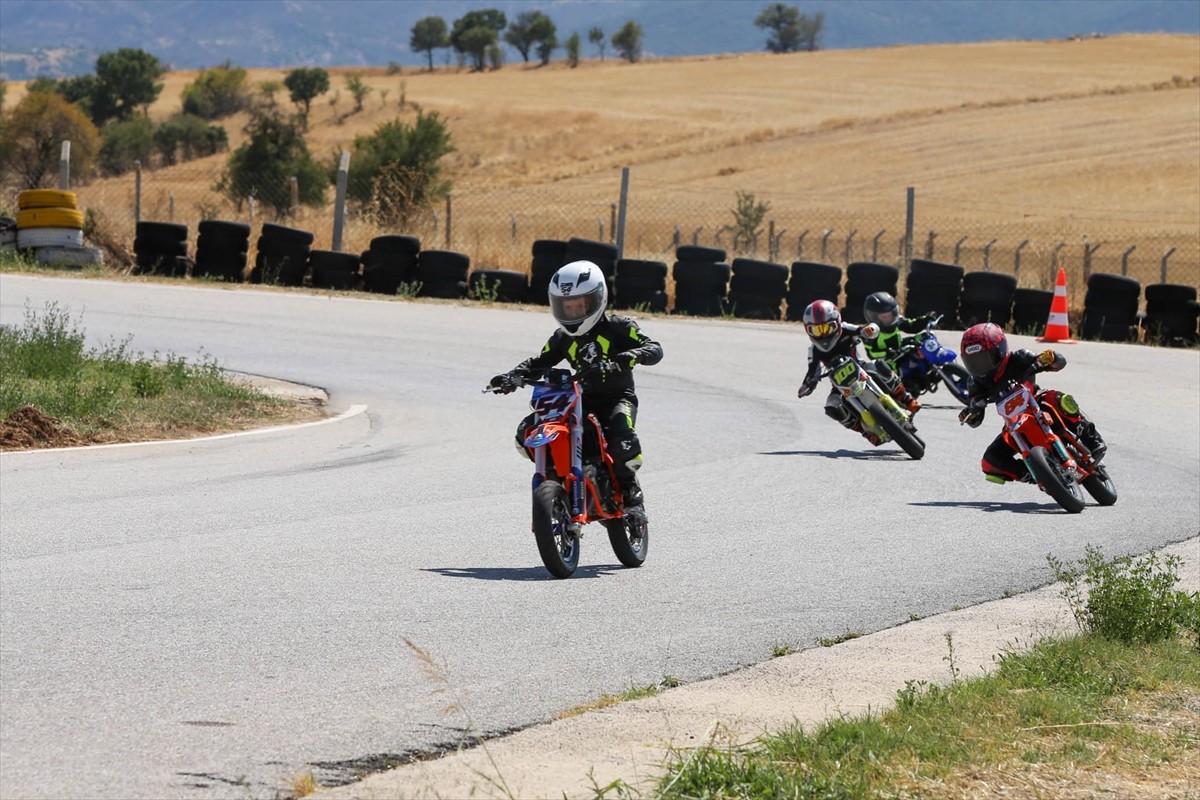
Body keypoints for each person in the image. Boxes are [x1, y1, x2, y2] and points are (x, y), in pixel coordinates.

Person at [490, 260, 663, 516]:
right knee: (526, 431)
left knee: (622, 434)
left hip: (617, 397)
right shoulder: (562, 338)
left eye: (579, 306)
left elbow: (654, 348)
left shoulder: (619, 327)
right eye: (566, 307)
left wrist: (630, 356)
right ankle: (556, 475)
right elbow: (539, 362)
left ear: (597, 299)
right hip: (577, 398)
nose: (572, 313)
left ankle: (630, 493)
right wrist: (512, 376)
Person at [957, 322, 1107, 482]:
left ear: (1000, 350)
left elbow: (1059, 362)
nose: (980, 368)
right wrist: (973, 412)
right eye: (973, 363)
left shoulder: (1020, 358)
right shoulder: (976, 384)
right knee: (989, 462)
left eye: (983, 360)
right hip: (1014, 426)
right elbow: (976, 419)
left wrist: (1050, 359)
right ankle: (1034, 473)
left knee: (1055, 398)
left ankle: (1092, 439)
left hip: (1039, 405)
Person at [795, 299, 918, 446]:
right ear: (808, 330)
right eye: (817, 330)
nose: (823, 335)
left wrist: (869, 330)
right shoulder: (813, 350)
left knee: (879, 366)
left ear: (836, 322)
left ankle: (906, 399)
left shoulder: (845, 328)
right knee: (832, 406)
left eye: (827, 328)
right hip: (839, 385)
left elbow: (863, 330)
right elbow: (812, 372)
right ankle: (865, 431)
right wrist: (806, 386)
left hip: (861, 367)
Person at [860, 291, 938, 362]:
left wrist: (925, 319)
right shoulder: (870, 332)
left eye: (889, 315)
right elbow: (872, 354)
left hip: (901, 351)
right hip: (887, 363)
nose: (888, 319)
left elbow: (911, 326)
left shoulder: (896, 321)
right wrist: (887, 353)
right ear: (873, 317)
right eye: (883, 317)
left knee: (926, 336)